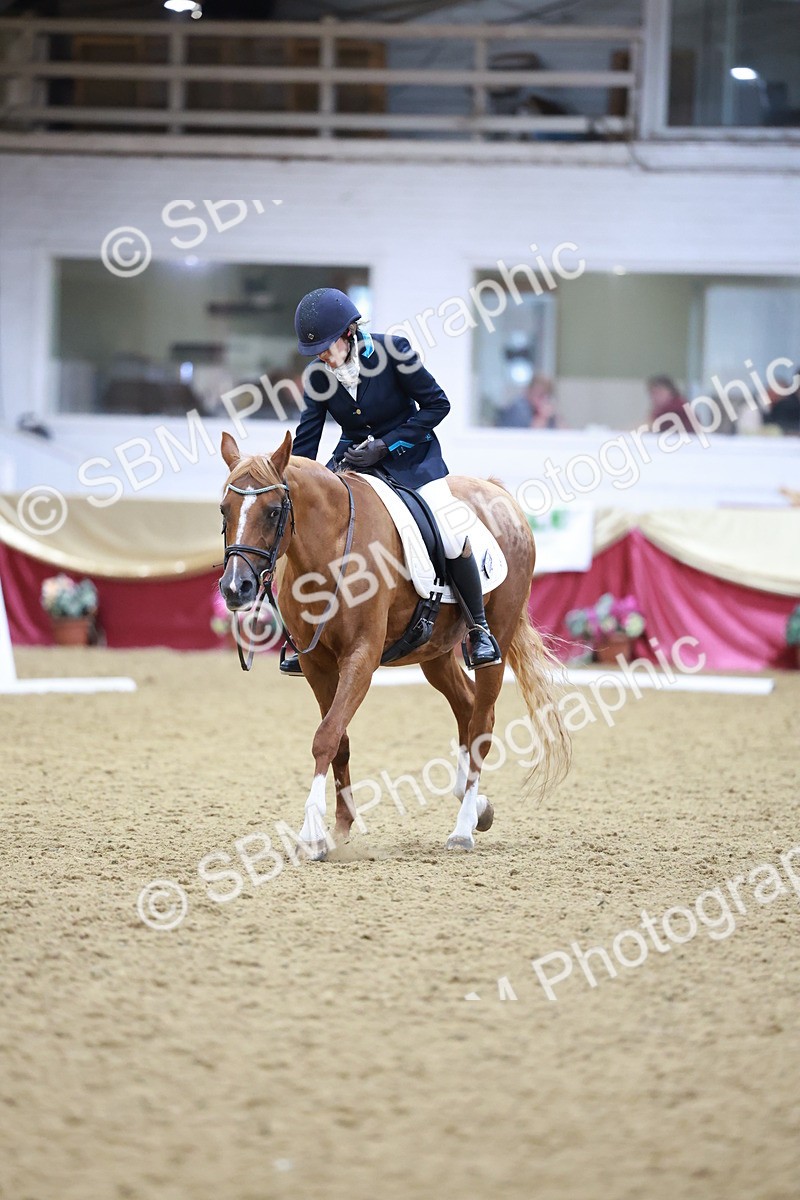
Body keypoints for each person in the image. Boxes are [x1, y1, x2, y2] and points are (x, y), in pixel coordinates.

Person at [281, 287, 502, 675]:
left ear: (349, 333)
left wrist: (386, 445)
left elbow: (437, 405)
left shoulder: (393, 351)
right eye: (315, 352)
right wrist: (293, 479)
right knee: (311, 534)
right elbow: (307, 441)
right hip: (352, 464)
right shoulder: (318, 375)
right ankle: (307, 637)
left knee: (450, 532)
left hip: (412, 460)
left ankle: (479, 629)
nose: (321, 357)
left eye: (327, 347)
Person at [495, 375, 560, 429]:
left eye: (546, 396)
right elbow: (529, 437)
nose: (543, 400)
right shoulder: (519, 408)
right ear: (529, 391)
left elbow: (563, 433)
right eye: (539, 395)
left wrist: (555, 416)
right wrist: (542, 417)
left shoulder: (538, 409)